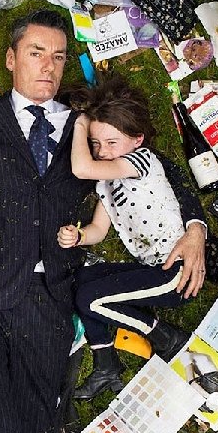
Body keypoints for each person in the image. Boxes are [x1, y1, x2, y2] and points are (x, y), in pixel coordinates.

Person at [0, 11, 207, 433]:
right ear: (10, 59)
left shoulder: (88, 129)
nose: (48, 65)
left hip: (50, 295)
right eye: (36, 53)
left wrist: (195, 228)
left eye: (59, 57)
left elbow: (163, 170)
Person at [58, 77, 205, 402]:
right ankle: (106, 365)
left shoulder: (142, 160)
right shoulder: (108, 182)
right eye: (96, 143)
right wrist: (79, 236)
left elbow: (82, 168)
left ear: (137, 139)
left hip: (176, 272)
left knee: (91, 300)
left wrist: (81, 122)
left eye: (112, 142)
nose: (102, 152)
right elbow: (98, 230)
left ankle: (165, 336)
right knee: (80, 281)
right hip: (151, 269)